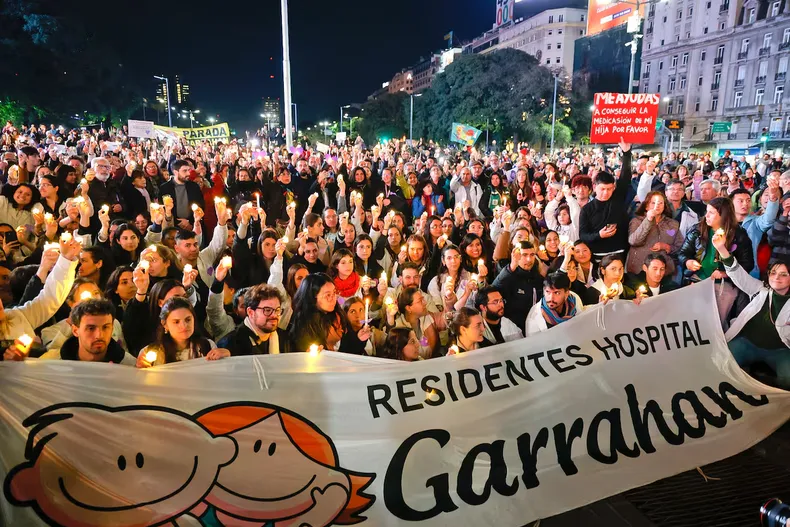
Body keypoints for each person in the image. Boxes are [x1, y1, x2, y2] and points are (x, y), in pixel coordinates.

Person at [713, 231, 790, 388]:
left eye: (784, 274)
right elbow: (737, 274)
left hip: (780, 351)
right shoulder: (759, 289)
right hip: (747, 343)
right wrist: (721, 249)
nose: (777, 277)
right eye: (773, 273)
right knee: (721, 362)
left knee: (787, 380)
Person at [679, 197, 754, 328]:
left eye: (711, 213)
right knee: (693, 321)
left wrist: (725, 273)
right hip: (698, 280)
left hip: (724, 285)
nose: (706, 216)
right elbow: (683, 253)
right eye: (707, 211)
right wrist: (688, 262)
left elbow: (747, 264)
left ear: (723, 215)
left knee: (715, 323)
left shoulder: (739, 235)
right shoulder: (697, 230)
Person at [32, 299, 135, 364]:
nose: (99, 335)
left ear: (112, 328)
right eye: (91, 328)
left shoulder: (129, 366)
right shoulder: (51, 362)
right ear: (75, 330)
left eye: (105, 327)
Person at [578, 139, 632, 264]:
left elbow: (625, 176)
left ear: (614, 188)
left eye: (609, 189)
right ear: (594, 187)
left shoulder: (617, 198)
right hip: (597, 256)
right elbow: (583, 235)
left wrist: (626, 153)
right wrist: (599, 235)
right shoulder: (587, 209)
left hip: (620, 253)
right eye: (602, 189)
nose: (606, 193)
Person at [137, 297, 229, 367]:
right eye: (176, 322)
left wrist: (225, 358)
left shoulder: (207, 346)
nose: (184, 326)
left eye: (188, 320)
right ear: (164, 324)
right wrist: (141, 369)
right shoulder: (149, 353)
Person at [217, 284, 290, 355]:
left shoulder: (286, 339)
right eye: (267, 310)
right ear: (250, 312)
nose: (274, 315)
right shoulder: (229, 345)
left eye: (277, 310)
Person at [626, 190, 683, 277]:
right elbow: (633, 241)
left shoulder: (673, 224)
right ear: (646, 206)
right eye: (653, 203)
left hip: (664, 271)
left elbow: (680, 246)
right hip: (639, 270)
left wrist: (667, 247)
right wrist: (648, 220)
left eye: (660, 203)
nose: (657, 206)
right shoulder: (636, 221)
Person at [492, 240, 543, 333]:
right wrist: (512, 267)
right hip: (513, 329)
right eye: (524, 255)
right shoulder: (509, 275)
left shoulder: (537, 277)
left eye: (532, 255)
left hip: (535, 326)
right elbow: (494, 289)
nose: (529, 259)